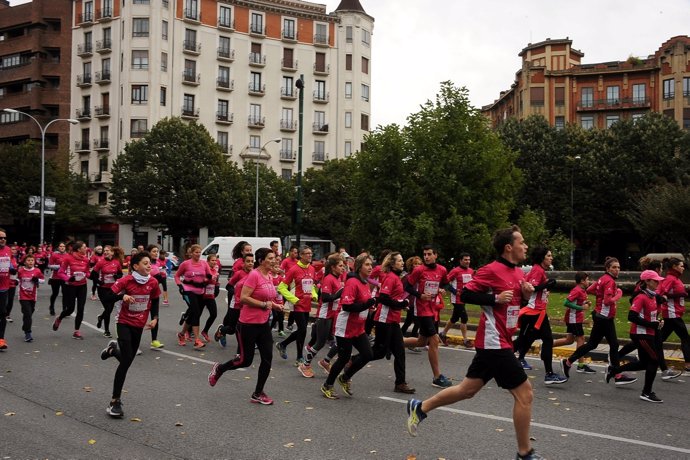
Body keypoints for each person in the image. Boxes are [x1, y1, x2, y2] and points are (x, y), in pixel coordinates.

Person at [406, 225, 544, 460]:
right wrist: (494, 297)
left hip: (501, 340)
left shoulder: (519, 273)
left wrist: (527, 295)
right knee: (525, 394)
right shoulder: (491, 270)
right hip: (494, 341)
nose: (526, 246)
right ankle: (524, 453)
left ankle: (421, 407)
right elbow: (466, 294)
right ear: (509, 247)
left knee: (467, 390)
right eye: (522, 242)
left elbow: (514, 307)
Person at [208, 248, 284, 405]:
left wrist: (275, 305)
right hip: (247, 325)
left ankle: (257, 393)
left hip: (263, 324)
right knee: (245, 360)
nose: (274, 260)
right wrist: (265, 304)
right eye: (270, 258)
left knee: (267, 358)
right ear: (261, 260)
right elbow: (243, 298)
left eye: (274, 258)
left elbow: (269, 297)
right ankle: (220, 369)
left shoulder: (268, 275)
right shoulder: (254, 275)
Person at [100, 251, 161, 417]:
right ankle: (114, 401)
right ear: (135, 266)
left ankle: (113, 350)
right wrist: (122, 296)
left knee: (128, 359)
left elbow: (155, 300)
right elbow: (107, 297)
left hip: (139, 324)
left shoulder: (153, 282)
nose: (149, 265)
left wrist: (154, 318)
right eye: (145, 263)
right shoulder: (126, 280)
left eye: (150, 263)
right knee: (126, 361)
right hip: (124, 322)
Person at [560, 257, 636, 385]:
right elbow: (607, 301)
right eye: (614, 267)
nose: (617, 270)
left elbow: (589, 290)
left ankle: (568, 362)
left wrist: (601, 295)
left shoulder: (602, 278)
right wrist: (618, 294)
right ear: (607, 269)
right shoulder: (610, 281)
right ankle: (616, 374)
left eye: (618, 267)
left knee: (594, 344)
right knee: (613, 344)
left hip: (601, 316)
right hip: (604, 318)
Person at [320, 253, 376, 399]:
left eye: (371, 264)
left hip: (358, 327)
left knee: (368, 354)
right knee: (343, 358)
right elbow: (347, 306)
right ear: (359, 266)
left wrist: (369, 307)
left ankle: (344, 378)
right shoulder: (352, 282)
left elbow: (364, 303)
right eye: (367, 265)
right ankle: (327, 385)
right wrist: (367, 304)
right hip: (345, 327)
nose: (370, 267)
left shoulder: (365, 283)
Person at [513, 247, 567, 385]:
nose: (551, 258)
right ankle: (549, 374)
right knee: (533, 341)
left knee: (526, 340)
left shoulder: (538, 270)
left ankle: (548, 373)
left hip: (538, 313)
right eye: (549, 255)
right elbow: (531, 288)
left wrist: (546, 289)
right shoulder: (538, 270)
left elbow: (536, 290)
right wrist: (547, 284)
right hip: (533, 313)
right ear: (542, 257)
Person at [613, 270, 665, 402]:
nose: (658, 283)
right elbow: (632, 316)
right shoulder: (641, 297)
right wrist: (651, 324)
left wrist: (658, 322)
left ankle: (614, 370)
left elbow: (650, 316)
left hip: (649, 333)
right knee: (654, 360)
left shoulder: (653, 296)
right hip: (641, 334)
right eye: (655, 280)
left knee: (644, 363)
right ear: (647, 282)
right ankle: (646, 392)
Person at [403, 245, 452, 388]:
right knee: (434, 340)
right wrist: (420, 295)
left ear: (435, 255)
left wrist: (443, 289)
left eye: (429, 254)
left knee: (421, 342)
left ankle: (394, 343)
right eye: (424, 254)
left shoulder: (442, 270)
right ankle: (437, 377)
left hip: (432, 309)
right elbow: (407, 287)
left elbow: (446, 284)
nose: (426, 257)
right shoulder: (419, 270)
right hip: (421, 309)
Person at [369, 251, 415, 393]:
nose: (402, 262)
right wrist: (401, 304)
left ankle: (400, 383)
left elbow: (394, 298)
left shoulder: (396, 277)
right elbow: (383, 298)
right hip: (384, 319)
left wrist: (402, 303)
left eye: (402, 260)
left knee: (400, 352)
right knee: (378, 352)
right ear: (392, 264)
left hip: (393, 319)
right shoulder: (390, 277)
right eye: (400, 260)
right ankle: (353, 361)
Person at [301, 253, 344, 377]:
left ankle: (325, 361)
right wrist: (340, 292)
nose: (343, 268)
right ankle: (305, 364)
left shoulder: (337, 278)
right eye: (340, 265)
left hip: (334, 315)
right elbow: (325, 298)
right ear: (333, 267)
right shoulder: (329, 278)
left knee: (339, 342)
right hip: (325, 316)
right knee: (320, 343)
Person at [276, 246, 317, 365]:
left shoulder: (312, 269)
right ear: (301, 255)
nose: (310, 255)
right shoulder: (294, 269)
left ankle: (283, 345)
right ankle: (299, 357)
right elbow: (281, 287)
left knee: (302, 331)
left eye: (311, 253)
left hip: (307, 303)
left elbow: (312, 285)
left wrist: (314, 294)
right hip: (297, 304)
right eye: (307, 253)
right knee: (303, 329)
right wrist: (294, 299)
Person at [552, 272, 596, 374]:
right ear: (582, 281)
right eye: (587, 280)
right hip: (573, 319)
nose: (589, 282)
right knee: (581, 339)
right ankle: (581, 365)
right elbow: (566, 303)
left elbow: (577, 302)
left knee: (569, 340)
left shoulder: (582, 291)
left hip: (576, 319)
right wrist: (581, 307)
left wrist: (586, 303)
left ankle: (547, 345)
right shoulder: (576, 290)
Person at [175, 244, 212, 349]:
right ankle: (197, 340)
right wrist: (179, 286)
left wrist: (207, 280)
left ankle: (181, 334)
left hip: (200, 291)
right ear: (191, 253)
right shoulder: (185, 264)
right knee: (195, 312)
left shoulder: (204, 264)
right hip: (188, 290)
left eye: (200, 252)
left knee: (193, 313)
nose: (198, 254)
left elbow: (209, 275)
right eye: (196, 252)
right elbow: (177, 275)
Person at [657, 257, 690, 376]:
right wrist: (679, 294)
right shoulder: (670, 278)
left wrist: (681, 294)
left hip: (673, 314)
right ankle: (688, 364)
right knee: (686, 338)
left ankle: (646, 353)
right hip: (672, 314)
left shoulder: (676, 278)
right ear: (675, 267)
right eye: (681, 266)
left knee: (659, 340)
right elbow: (660, 293)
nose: (683, 268)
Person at [53, 241, 90, 340]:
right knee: (70, 309)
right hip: (71, 286)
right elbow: (60, 273)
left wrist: (90, 275)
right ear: (78, 249)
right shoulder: (68, 258)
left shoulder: (86, 260)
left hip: (82, 285)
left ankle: (76, 331)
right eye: (84, 247)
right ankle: (59, 318)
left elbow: (87, 272)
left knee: (81, 308)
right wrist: (69, 279)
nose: (86, 249)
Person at [215, 253, 254, 347]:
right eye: (248, 261)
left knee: (243, 327)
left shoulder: (254, 274)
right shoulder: (239, 274)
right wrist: (236, 293)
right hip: (236, 304)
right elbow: (229, 286)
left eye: (252, 261)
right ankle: (222, 330)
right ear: (243, 263)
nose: (250, 263)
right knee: (232, 329)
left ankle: (241, 349)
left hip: (247, 305)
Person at [440, 252, 474, 347]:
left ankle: (442, 334)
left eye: (469, 259)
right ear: (460, 261)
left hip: (466, 298)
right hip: (457, 299)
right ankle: (465, 340)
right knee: (464, 318)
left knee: (454, 318)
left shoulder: (471, 271)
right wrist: (454, 291)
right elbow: (445, 282)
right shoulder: (455, 271)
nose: (467, 261)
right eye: (465, 260)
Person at [91, 246, 124, 338]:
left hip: (113, 289)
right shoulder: (100, 262)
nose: (105, 252)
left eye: (107, 251)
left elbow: (120, 274)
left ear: (112, 252)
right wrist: (99, 282)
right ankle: (106, 330)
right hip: (102, 289)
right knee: (108, 309)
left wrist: (117, 276)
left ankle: (101, 317)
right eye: (104, 251)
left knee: (108, 309)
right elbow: (92, 275)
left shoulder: (116, 262)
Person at [17, 253, 44, 343]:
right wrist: (15, 282)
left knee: (29, 313)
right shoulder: (21, 271)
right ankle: (28, 333)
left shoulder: (37, 271)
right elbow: (17, 279)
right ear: (24, 262)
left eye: (32, 260)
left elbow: (43, 280)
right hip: (23, 295)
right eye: (28, 260)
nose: (30, 262)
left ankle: (25, 326)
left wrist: (37, 280)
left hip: (32, 296)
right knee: (28, 313)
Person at [145, 244, 167, 348]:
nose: (156, 253)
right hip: (143, 295)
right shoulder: (145, 264)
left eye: (157, 251)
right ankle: (133, 341)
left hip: (154, 294)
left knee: (155, 316)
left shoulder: (158, 263)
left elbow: (160, 278)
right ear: (148, 252)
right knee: (139, 318)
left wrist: (161, 278)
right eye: (154, 251)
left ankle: (154, 340)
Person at [0, 228, 16, 350]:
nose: (3, 239)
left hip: (4, 287)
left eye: (4, 237)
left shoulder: (8, 250)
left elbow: (10, 263)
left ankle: (1, 340)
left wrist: (12, 269)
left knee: (3, 314)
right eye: (0, 238)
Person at [200, 254, 220, 343]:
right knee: (197, 314)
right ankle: (188, 331)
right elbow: (202, 282)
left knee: (214, 314)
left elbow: (216, 282)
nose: (214, 262)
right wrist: (209, 279)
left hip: (210, 296)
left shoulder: (216, 270)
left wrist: (217, 287)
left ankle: (205, 331)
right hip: (201, 295)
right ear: (208, 261)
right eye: (212, 260)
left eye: (215, 260)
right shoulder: (205, 270)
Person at [400, 256, 422, 339]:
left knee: (408, 321)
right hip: (410, 303)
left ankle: (400, 336)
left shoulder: (421, 276)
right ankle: (412, 342)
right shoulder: (407, 277)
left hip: (418, 302)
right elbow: (402, 291)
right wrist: (403, 303)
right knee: (417, 322)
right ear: (411, 265)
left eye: (419, 264)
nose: (417, 266)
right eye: (415, 264)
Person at [47, 242, 68, 316]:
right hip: (55, 277)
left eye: (63, 246)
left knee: (65, 293)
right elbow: (49, 265)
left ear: (65, 247)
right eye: (61, 246)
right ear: (58, 247)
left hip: (64, 277)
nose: (62, 247)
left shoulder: (67, 255)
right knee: (55, 293)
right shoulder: (54, 255)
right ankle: (52, 307)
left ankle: (64, 310)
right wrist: (59, 267)